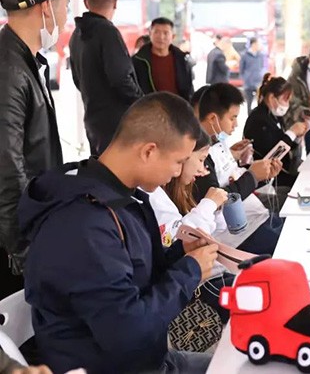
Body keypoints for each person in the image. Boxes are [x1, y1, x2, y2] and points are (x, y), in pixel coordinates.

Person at [19, 93, 217, 374]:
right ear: (149, 151)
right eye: (178, 161)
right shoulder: (83, 224)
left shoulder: (122, 195)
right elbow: (127, 333)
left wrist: (179, 254)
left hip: (152, 360)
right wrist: (189, 272)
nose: (177, 172)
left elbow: (136, 274)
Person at [0, 0, 90, 298]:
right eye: (65, 4)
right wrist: (22, 250)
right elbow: (7, 166)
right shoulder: (9, 69)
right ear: (44, 8)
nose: (67, 15)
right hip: (14, 242)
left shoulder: (24, 59)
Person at [193, 83, 283, 254]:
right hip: (235, 235)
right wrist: (253, 176)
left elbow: (232, 176)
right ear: (213, 119)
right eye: (232, 118)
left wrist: (262, 173)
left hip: (255, 217)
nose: (236, 124)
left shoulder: (217, 143)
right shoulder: (199, 155)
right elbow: (215, 199)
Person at [69, 0, 144, 155]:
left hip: (93, 119)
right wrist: (142, 102)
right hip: (118, 123)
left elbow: (77, 79)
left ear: (86, 2)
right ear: (115, 3)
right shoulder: (108, 32)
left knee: (100, 173)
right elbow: (120, 78)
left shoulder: (76, 35)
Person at [243, 74, 308, 188]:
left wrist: (297, 137)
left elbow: (284, 145)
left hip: (280, 173)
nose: (287, 105)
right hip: (265, 182)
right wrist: (292, 132)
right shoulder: (258, 120)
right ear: (272, 98)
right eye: (285, 100)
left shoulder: (274, 117)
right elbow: (272, 156)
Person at [133, 17, 194, 100]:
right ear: (150, 34)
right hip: (149, 109)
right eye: (156, 32)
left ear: (173, 36)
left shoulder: (182, 59)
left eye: (166, 33)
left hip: (178, 109)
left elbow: (189, 89)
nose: (161, 37)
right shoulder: (138, 60)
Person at [239, 37, 265, 115]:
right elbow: (241, 69)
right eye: (258, 44)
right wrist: (245, 78)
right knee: (249, 103)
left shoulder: (260, 55)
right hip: (248, 82)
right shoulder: (244, 55)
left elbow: (261, 66)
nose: (259, 46)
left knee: (260, 102)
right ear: (253, 44)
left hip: (258, 82)